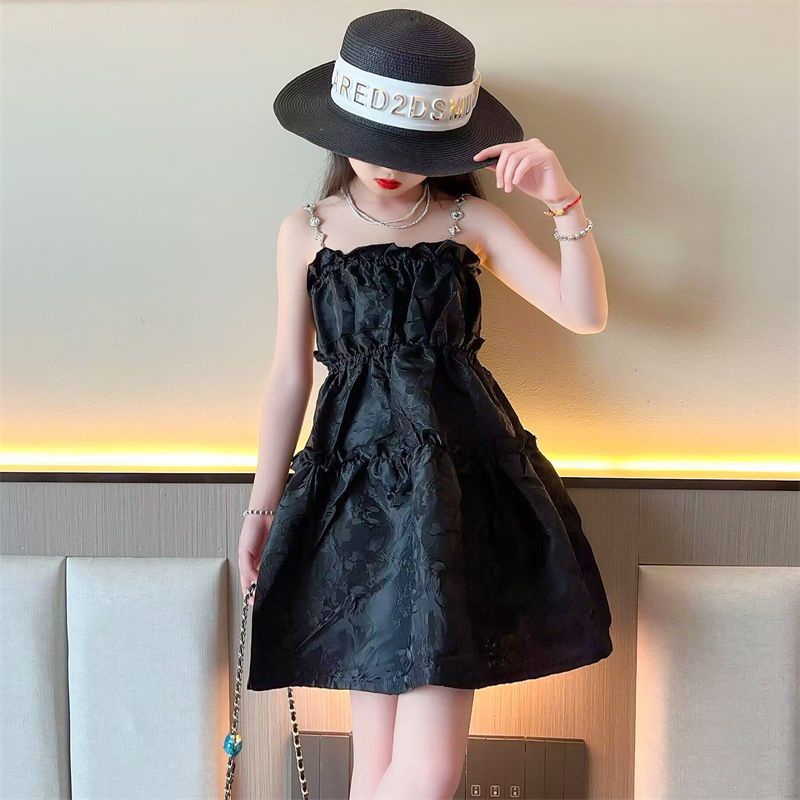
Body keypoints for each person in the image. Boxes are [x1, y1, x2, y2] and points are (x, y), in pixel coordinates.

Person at [238, 9, 612, 800]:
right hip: (355, 498)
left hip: (455, 495)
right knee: (375, 768)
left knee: (428, 772)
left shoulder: (468, 220)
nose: (387, 164)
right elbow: (289, 378)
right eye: (372, 139)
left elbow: (583, 315)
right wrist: (262, 509)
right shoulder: (306, 231)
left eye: (411, 147)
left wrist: (564, 202)